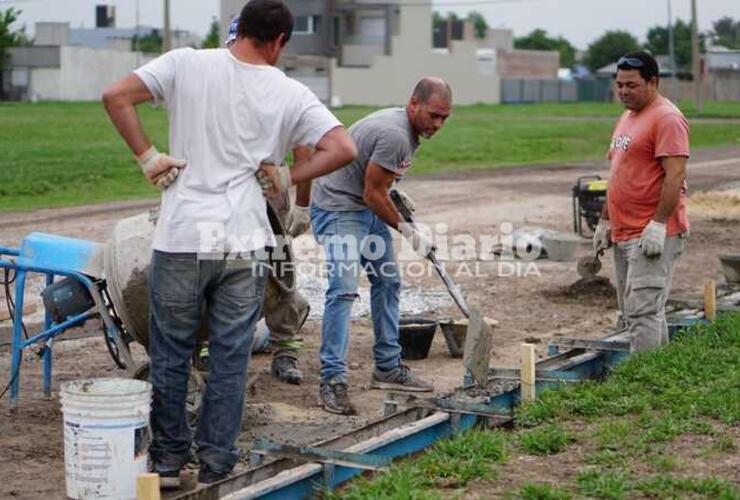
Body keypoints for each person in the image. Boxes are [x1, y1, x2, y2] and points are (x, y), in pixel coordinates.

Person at [102, 0, 356, 488]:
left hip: (182, 237)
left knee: (173, 353)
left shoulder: (186, 63)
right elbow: (342, 148)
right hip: (243, 243)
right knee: (229, 357)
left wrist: (148, 156)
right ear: (279, 41)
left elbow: (115, 95)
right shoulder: (289, 91)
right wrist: (287, 174)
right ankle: (217, 466)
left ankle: (170, 465)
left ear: (238, 29)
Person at [309, 78, 452, 415]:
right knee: (343, 290)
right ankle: (332, 381)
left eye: (445, 118)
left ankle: (387, 367)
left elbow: (377, 187)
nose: (438, 125)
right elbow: (372, 193)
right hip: (338, 208)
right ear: (413, 104)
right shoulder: (396, 135)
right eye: (433, 116)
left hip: (363, 206)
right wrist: (410, 232)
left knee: (388, 281)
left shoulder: (408, 131)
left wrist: (394, 193)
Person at [594, 51, 689, 352]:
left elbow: (675, 176)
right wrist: (604, 220)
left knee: (643, 310)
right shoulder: (627, 117)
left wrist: (658, 224)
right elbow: (618, 172)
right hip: (625, 230)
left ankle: (644, 383)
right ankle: (655, 372)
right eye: (620, 85)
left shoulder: (667, 118)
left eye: (631, 85)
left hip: (651, 232)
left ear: (653, 82)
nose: (623, 91)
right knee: (636, 311)